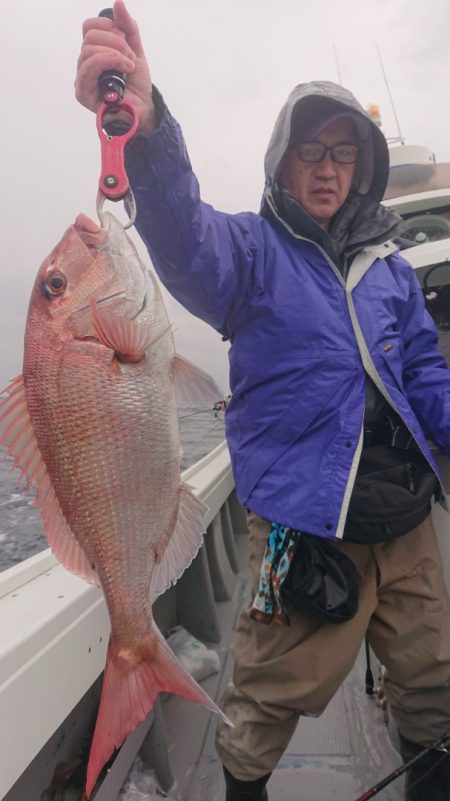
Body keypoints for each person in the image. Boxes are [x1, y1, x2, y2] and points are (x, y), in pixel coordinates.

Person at [75, 3, 450, 799]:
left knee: (434, 680)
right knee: (265, 700)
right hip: (300, 523)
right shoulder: (249, 252)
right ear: (282, 162)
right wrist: (146, 129)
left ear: (361, 168)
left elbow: (426, 374)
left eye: (342, 154)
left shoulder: (390, 269)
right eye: (310, 152)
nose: (326, 168)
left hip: (408, 516)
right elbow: (180, 234)